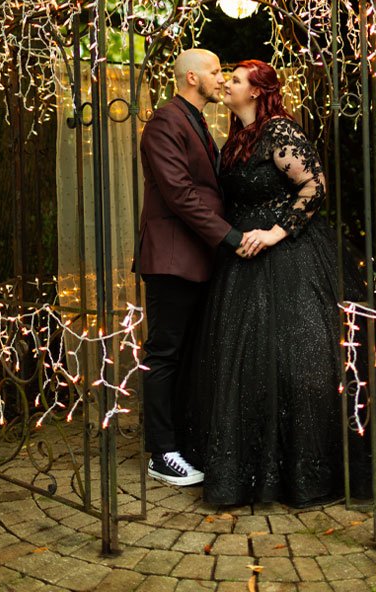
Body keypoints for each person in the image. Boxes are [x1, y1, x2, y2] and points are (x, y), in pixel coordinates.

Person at [188, 59, 346, 507]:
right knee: (244, 363)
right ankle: (250, 468)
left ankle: (305, 469)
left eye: (235, 80)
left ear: (256, 91)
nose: (227, 84)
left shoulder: (280, 131)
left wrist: (277, 231)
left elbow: (314, 187)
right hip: (241, 261)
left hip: (289, 255)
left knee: (298, 355)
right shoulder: (238, 138)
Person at [134, 48, 254, 486]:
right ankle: (161, 453)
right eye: (215, 71)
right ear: (190, 78)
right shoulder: (166, 121)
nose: (221, 79)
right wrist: (231, 237)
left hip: (195, 256)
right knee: (164, 354)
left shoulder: (197, 119)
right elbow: (181, 194)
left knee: (186, 353)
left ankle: (182, 441)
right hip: (171, 258)